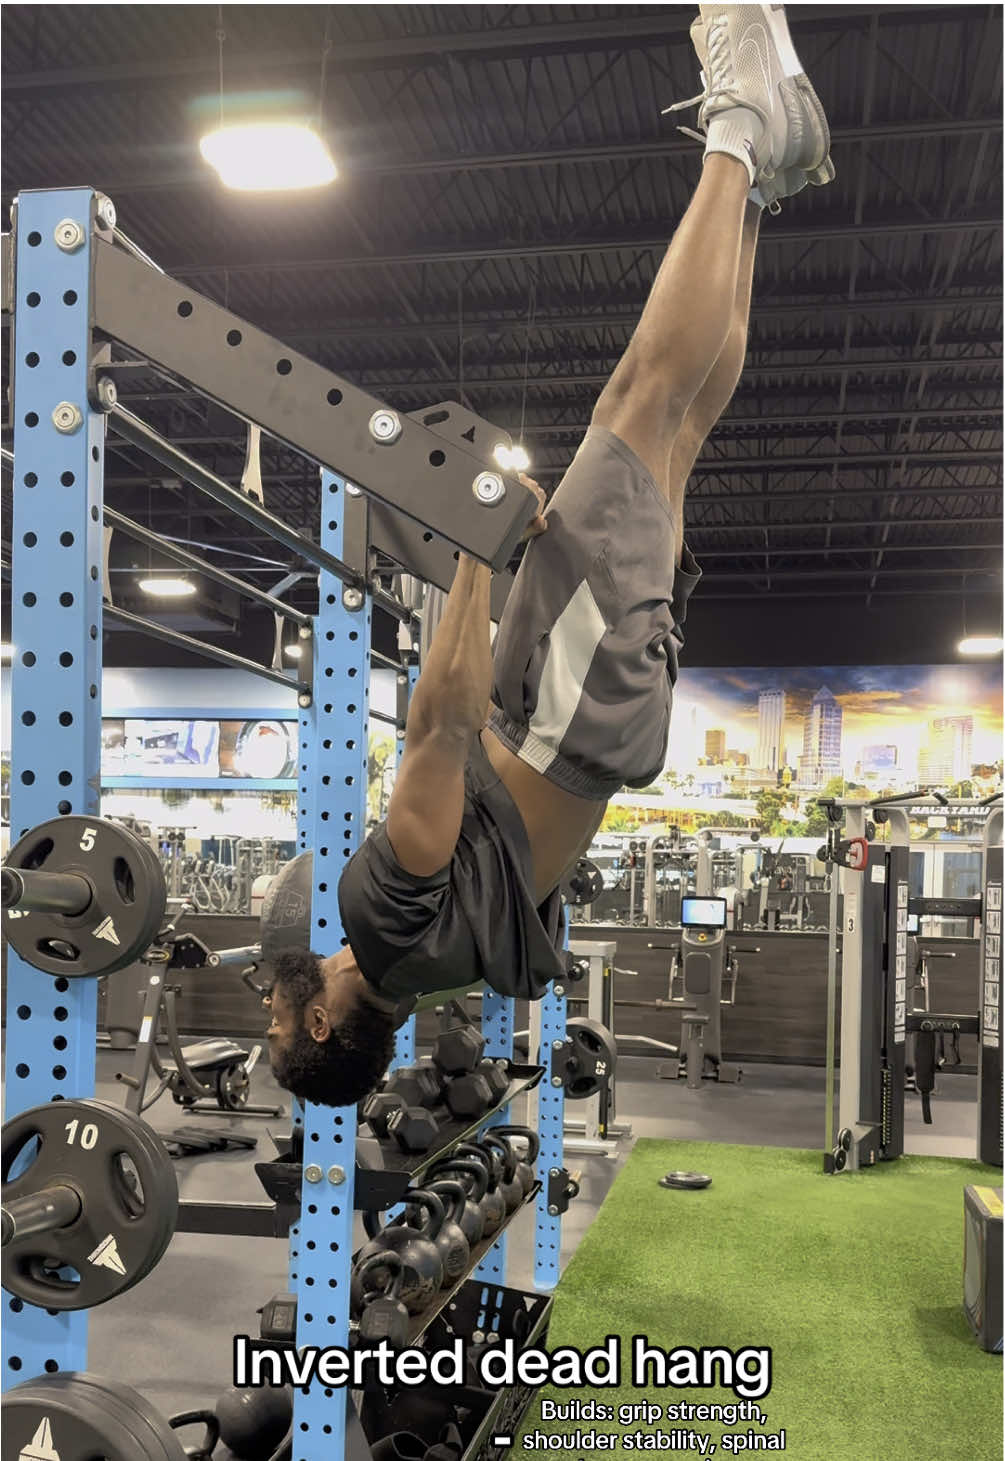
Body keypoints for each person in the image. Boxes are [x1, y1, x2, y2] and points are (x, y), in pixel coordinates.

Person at [265, 4, 833, 1107]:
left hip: (602, 718)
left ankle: (766, 179)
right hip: (563, 700)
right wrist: (479, 551)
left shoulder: (454, 970)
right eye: (280, 1028)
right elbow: (443, 723)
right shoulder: (377, 923)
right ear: (326, 1021)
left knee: (677, 427)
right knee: (636, 397)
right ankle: (739, 129)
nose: (272, 1006)